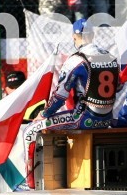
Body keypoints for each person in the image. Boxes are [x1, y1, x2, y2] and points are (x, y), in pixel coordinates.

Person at [21, 19, 120, 176]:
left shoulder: (76, 60)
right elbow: (119, 86)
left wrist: (44, 114)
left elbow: (60, 95)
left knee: (29, 130)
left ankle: (30, 181)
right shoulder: (111, 57)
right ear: (92, 35)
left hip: (83, 118)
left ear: (74, 36)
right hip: (107, 119)